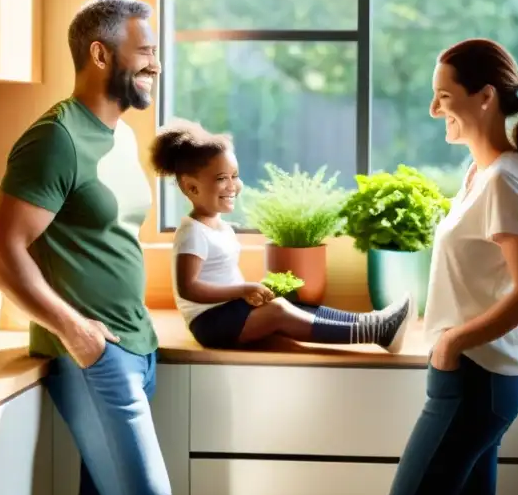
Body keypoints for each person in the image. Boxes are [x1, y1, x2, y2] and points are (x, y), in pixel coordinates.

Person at [0, 0, 169, 495]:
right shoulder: (55, 138)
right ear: (99, 52)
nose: (155, 66)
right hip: (94, 355)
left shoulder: (119, 136)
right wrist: (75, 330)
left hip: (136, 346)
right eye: (145, 53)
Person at [378, 38, 518, 495]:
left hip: (475, 380)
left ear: (484, 97)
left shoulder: (504, 178)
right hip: (474, 379)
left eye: (443, 96)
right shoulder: (481, 173)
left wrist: (454, 342)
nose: (434, 110)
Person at [150, 119, 414, 351]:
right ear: (191, 186)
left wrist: (251, 291)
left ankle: (371, 322)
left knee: (286, 302)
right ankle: (376, 331)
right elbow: (189, 288)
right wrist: (243, 289)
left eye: (235, 175)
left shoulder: (221, 228)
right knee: (278, 311)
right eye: (221, 178)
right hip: (210, 323)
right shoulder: (192, 233)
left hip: (229, 311)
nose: (233, 185)